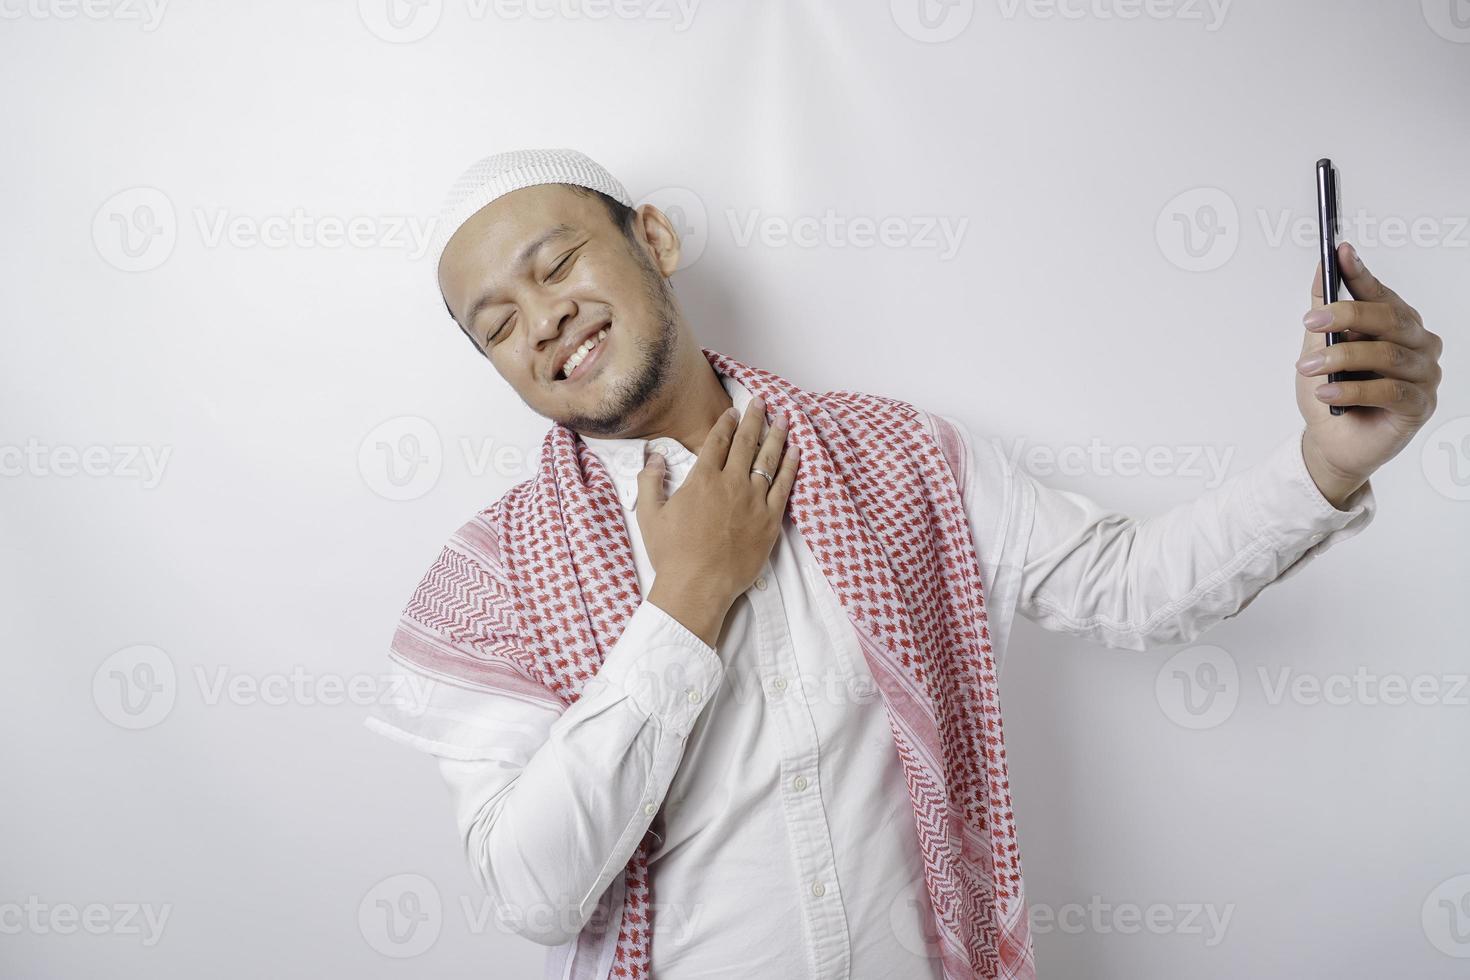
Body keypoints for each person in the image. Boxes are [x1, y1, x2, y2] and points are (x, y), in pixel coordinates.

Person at [364, 148, 1441, 980]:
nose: (543, 318)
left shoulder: (899, 457)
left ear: (652, 236)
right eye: (497, 323)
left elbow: (1131, 585)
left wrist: (1324, 462)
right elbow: (536, 890)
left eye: (556, 264)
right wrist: (689, 595)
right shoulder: (491, 582)